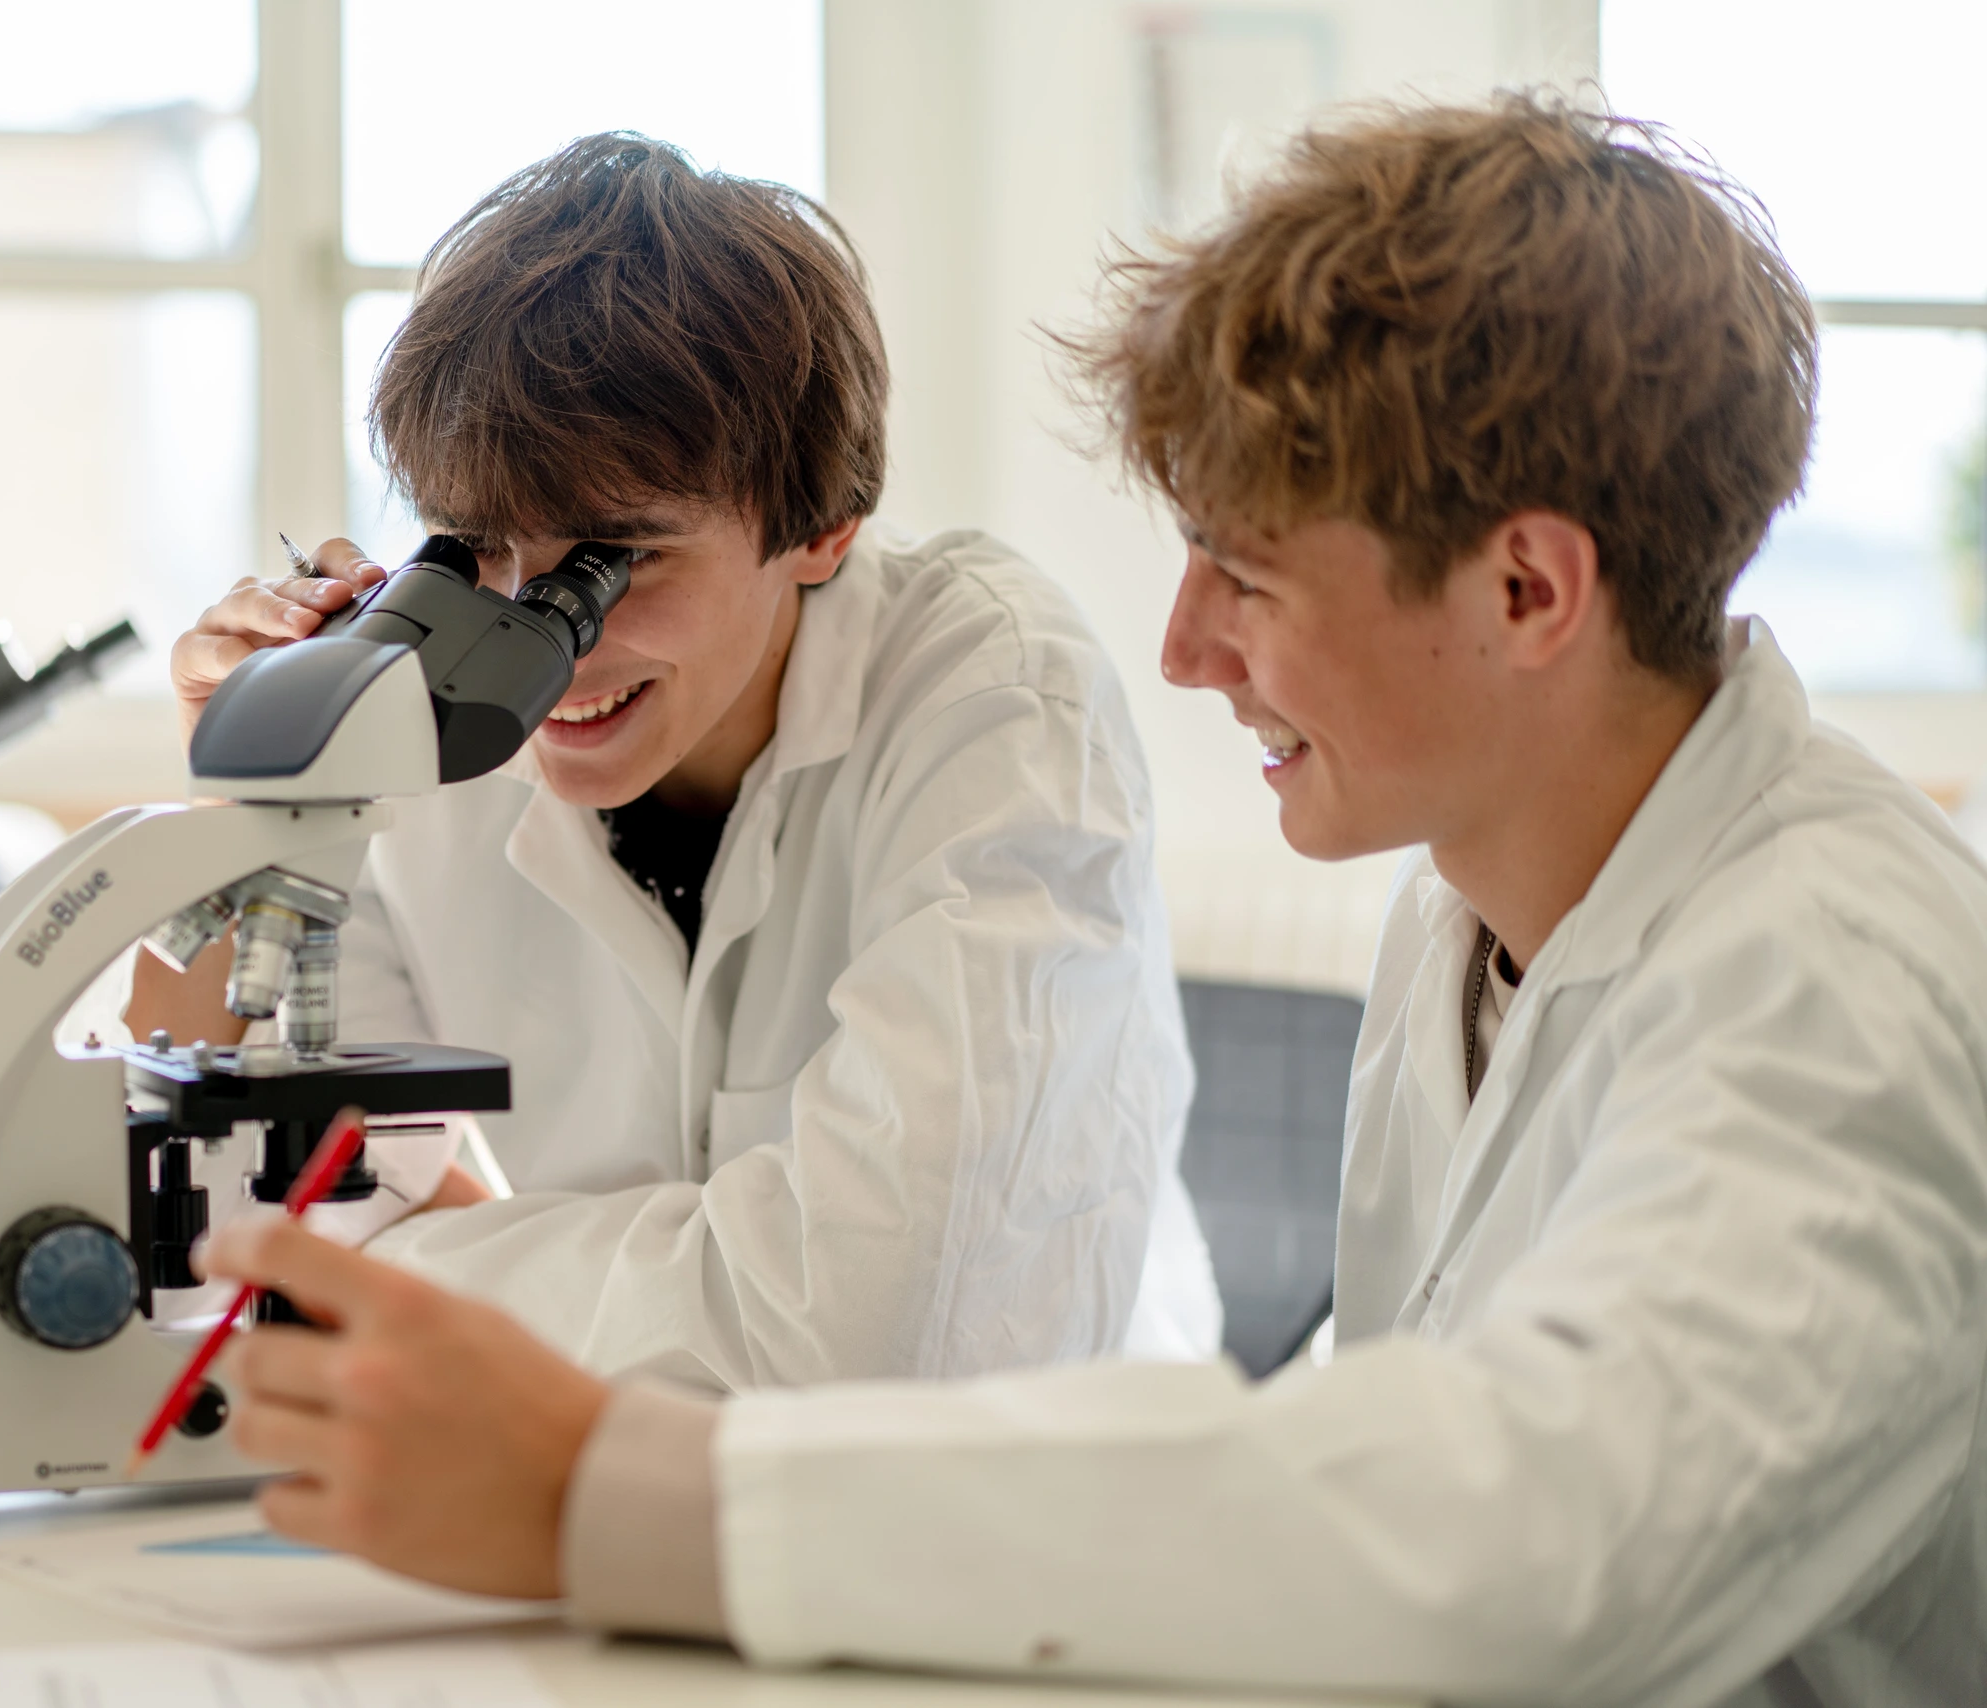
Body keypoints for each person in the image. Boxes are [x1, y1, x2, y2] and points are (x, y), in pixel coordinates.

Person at [190, 96, 1987, 1706]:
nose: (1186, 650)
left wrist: (607, 1489)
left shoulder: (1832, 977)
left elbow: (1524, 1533)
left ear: (1528, 588)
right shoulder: (1482, 904)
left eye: (1251, 576)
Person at [146, 132, 1222, 1388]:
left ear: (821, 529)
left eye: (617, 560)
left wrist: (427, 1282)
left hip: (1000, 1521)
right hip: (588, 1498)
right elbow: (284, 1211)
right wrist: (255, 799)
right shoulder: (425, 701)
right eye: (481, 547)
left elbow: (887, 1340)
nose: (540, 642)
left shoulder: (990, 693)